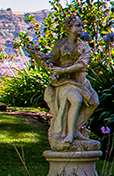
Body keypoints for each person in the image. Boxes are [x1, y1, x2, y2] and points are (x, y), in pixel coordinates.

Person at [37, 14, 99, 152]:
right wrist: (40, 59)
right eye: (77, 26)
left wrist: (62, 70)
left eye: (81, 25)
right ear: (69, 29)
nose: (81, 28)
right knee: (76, 99)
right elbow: (51, 60)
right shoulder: (61, 44)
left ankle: (75, 129)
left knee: (94, 102)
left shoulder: (84, 47)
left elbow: (81, 65)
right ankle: (69, 135)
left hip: (78, 80)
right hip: (63, 82)